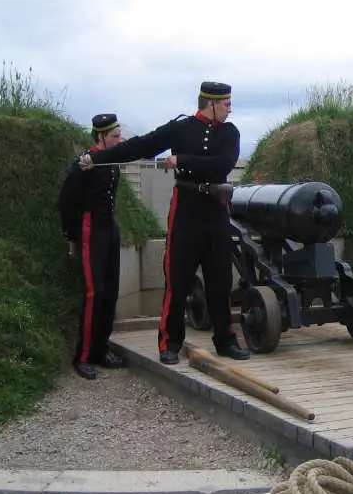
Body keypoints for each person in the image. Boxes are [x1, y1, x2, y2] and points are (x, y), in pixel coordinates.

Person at [78, 82, 250, 364]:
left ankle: (225, 340)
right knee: (177, 280)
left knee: (220, 279)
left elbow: (222, 165)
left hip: (216, 210)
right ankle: (169, 342)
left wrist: (182, 159)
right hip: (186, 210)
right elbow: (141, 145)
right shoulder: (181, 128)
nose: (230, 109)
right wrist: (98, 157)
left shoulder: (230, 133)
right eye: (226, 104)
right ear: (211, 103)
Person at [57, 113, 127, 380]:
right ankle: (83, 355)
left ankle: (101, 348)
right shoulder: (84, 164)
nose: (119, 141)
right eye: (115, 137)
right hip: (91, 229)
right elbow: (68, 202)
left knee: (110, 291)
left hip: (110, 228)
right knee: (93, 292)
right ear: (100, 137)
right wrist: (71, 237)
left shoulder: (112, 162)